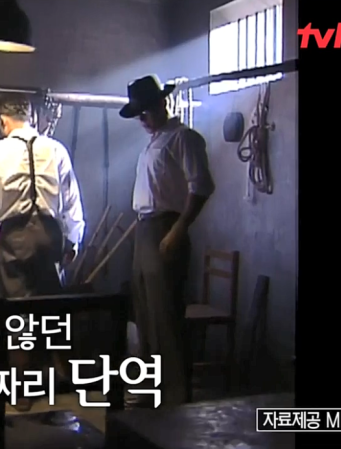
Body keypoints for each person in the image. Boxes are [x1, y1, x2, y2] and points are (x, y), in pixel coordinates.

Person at [0, 94, 85, 410]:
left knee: (17, 314)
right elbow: (72, 200)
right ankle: (63, 379)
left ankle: (23, 390)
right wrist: (73, 240)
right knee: (51, 308)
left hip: (16, 237)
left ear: (3, 121)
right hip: (49, 235)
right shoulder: (56, 149)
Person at [119, 75, 215, 406]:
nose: (143, 119)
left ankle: (174, 397)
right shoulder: (154, 141)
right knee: (145, 314)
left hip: (166, 227)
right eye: (139, 114)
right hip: (146, 228)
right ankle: (150, 390)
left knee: (166, 316)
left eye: (146, 111)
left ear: (163, 103)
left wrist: (178, 229)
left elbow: (201, 186)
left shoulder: (183, 137)